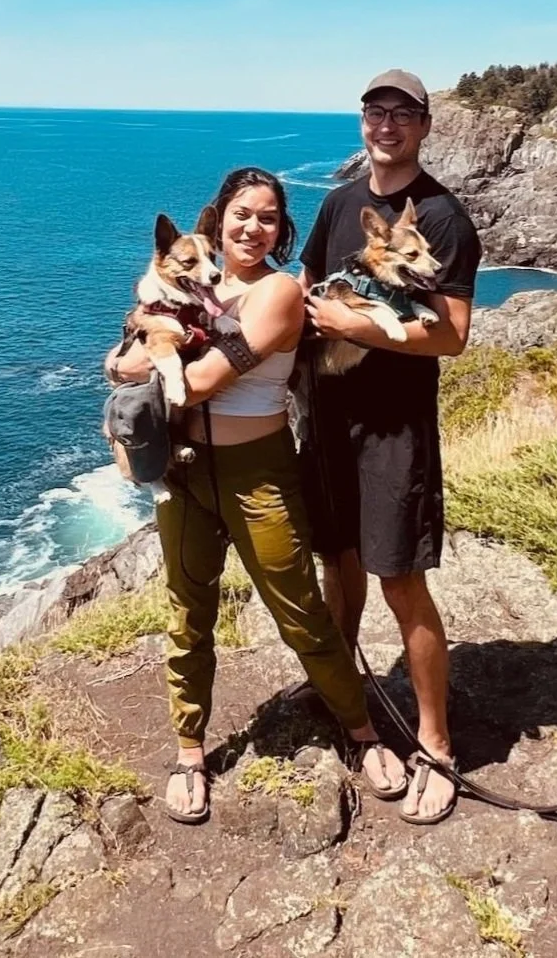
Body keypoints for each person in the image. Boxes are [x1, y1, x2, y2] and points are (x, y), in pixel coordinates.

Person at [106, 166, 407, 824]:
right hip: (186, 470)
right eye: (242, 214)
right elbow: (119, 360)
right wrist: (128, 354)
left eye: (268, 218)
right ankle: (190, 751)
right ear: (219, 218)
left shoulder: (278, 293)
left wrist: (142, 350)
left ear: (281, 228)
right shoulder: (193, 288)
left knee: (299, 610)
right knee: (188, 612)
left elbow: (199, 379)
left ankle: (363, 732)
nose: (253, 228)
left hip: (258, 471)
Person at [301, 69, 481, 826]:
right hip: (326, 416)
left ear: (424, 126)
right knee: (337, 562)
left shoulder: (443, 217)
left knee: (399, 578)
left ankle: (436, 746)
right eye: (376, 112)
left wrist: (359, 328)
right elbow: (309, 284)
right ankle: (345, 700)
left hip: (395, 429)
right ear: (362, 121)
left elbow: (453, 335)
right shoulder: (340, 202)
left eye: (403, 114)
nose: (386, 125)